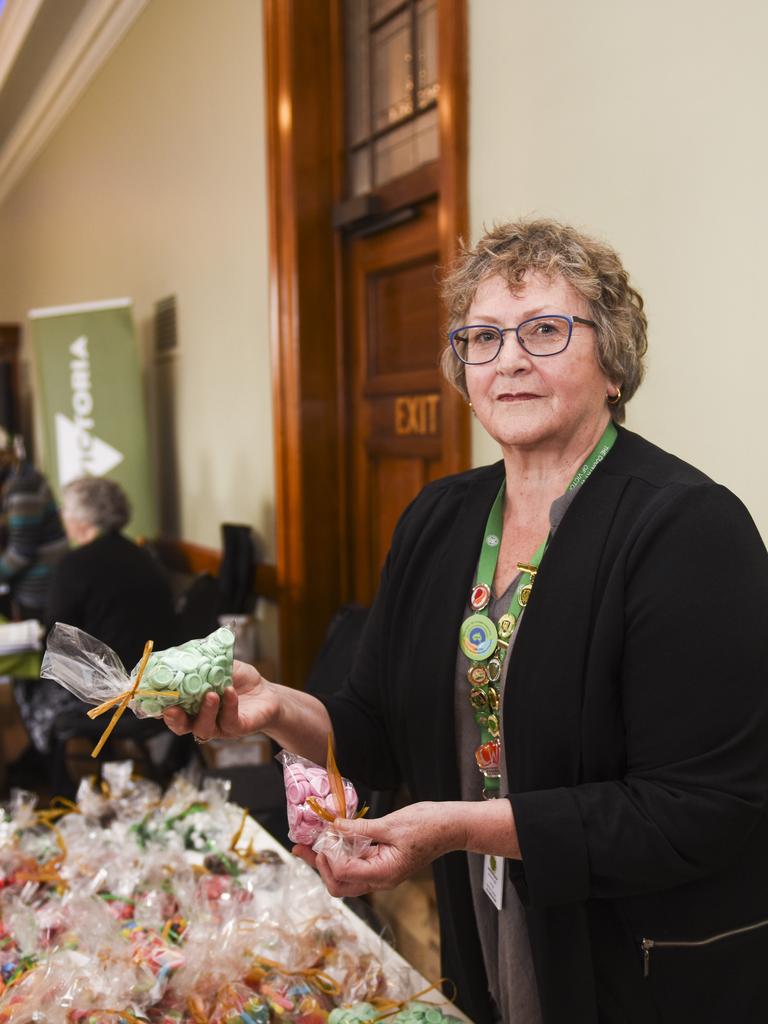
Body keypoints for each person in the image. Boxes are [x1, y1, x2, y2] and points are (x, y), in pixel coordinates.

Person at [163, 220, 768, 1024]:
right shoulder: (438, 518)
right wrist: (277, 709)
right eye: (482, 338)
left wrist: (463, 829)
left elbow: (704, 806)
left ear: (613, 363)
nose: (509, 359)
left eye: (545, 330)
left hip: (639, 960)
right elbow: (373, 728)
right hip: (485, 925)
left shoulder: (687, 527)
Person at [14, 475, 178, 758]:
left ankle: (56, 772)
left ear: (81, 519)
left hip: (105, 691)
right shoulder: (146, 557)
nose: (62, 515)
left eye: (65, 509)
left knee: (26, 684)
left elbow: (55, 640)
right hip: (155, 684)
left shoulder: (74, 565)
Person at [0, 433, 68, 619]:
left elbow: (22, 552)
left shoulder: (22, 486)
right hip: (32, 587)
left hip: (40, 590)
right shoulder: (15, 477)